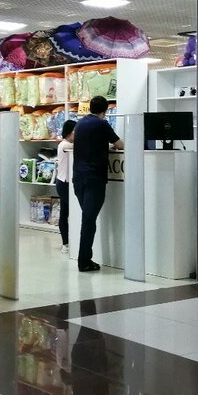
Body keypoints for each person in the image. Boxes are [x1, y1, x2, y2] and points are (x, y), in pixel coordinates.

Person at [72, 96, 123, 272]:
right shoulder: (102, 124)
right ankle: (84, 261)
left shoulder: (80, 124)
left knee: (88, 219)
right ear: (105, 110)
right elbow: (120, 144)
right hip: (94, 178)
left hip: (78, 178)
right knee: (89, 221)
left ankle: (85, 258)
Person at [56, 119, 76, 254]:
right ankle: (66, 243)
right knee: (67, 213)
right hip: (63, 184)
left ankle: (67, 243)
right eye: (75, 132)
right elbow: (76, 147)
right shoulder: (64, 144)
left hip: (68, 184)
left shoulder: (69, 144)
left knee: (65, 212)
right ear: (69, 132)